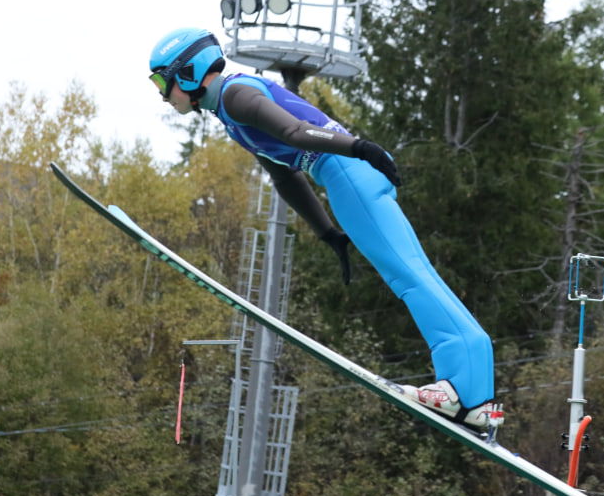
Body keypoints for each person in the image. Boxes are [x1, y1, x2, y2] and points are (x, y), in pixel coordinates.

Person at [148, 27, 501, 430]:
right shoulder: (230, 114)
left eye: (163, 82)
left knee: (409, 278)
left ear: (189, 73)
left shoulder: (236, 96)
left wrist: (357, 147)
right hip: (343, 174)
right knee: (416, 273)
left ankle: (459, 391)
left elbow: (295, 133)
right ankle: (473, 396)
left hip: (344, 171)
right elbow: (284, 177)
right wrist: (327, 232)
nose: (162, 95)